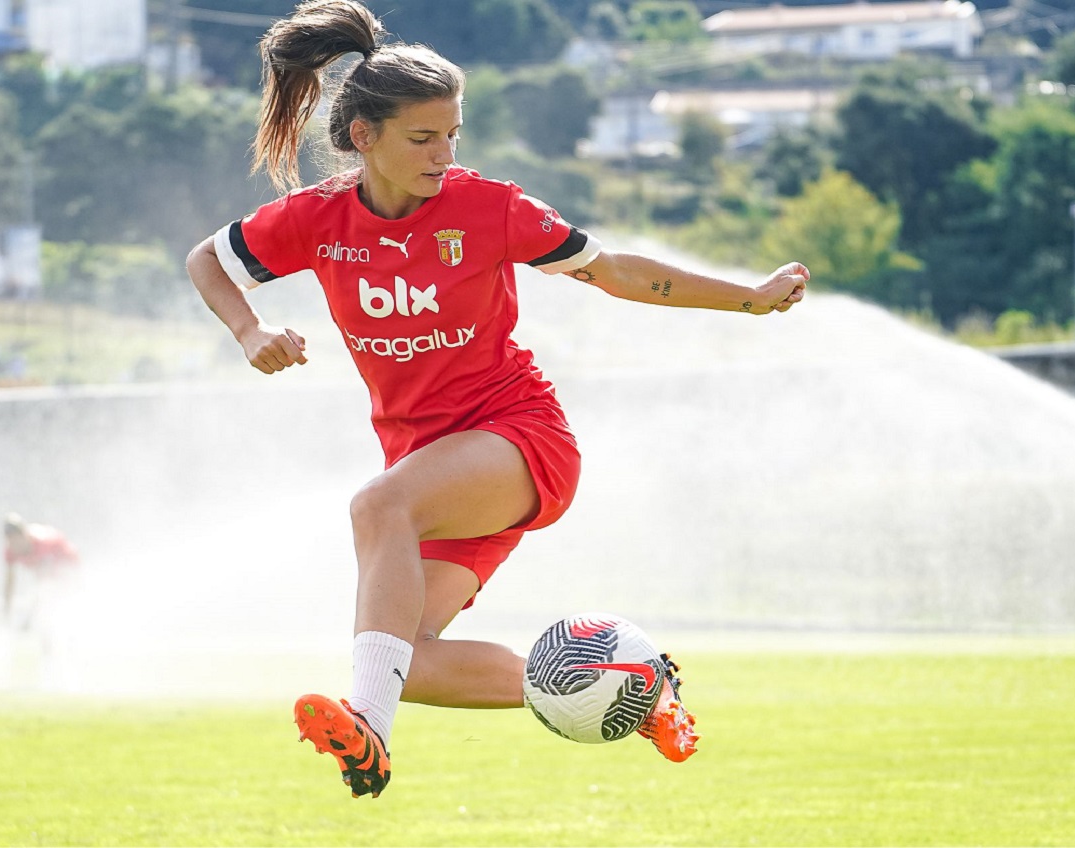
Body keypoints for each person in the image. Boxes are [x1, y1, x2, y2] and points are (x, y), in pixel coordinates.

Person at [186, 0, 808, 799]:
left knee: (377, 508)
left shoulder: (490, 208)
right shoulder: (318, 220)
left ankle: (368, 729)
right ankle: (633, 693)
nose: (444, 153)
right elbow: (208, 260)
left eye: (453, 134)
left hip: (518, 438)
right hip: (432, 473)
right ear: (363, 137)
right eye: (423, 137)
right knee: (406, 659)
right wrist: (248, 331)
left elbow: (616, 271)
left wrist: (749, 298)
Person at [1, 513, 80, 623]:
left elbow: (43, 584)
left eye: (16, 538)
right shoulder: (10, 551)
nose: (14, 544)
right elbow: (9, 583)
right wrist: (6, 613)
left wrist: (30, 618)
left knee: (63, 590)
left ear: (24, 535)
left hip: (67, 559)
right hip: (47, 564)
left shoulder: (41, 545)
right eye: (10, 539)